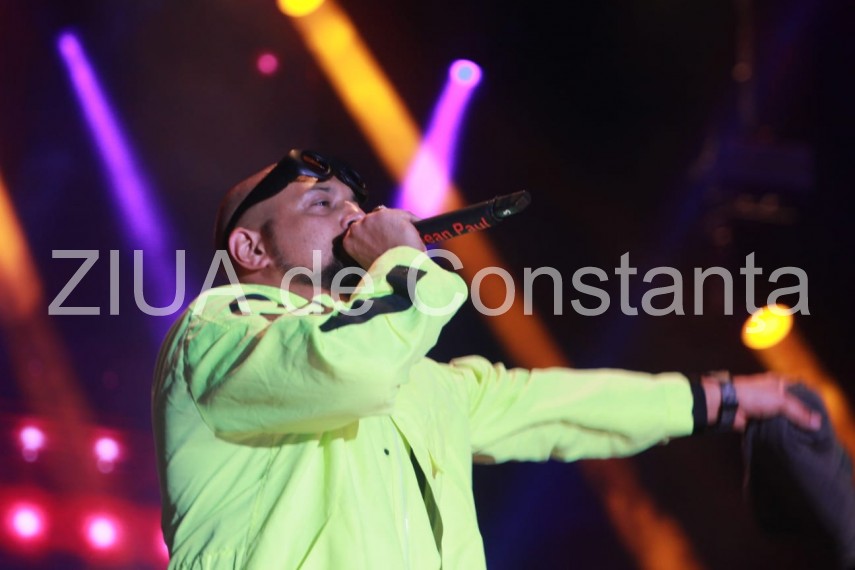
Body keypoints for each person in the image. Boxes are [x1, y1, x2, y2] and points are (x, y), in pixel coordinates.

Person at [152, 148, 822, 569]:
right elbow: (346, 367)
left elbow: (551, 406)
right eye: (321, 203)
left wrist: (720, 398)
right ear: (250, 249)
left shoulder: (414, 379)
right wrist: (403, 261)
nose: (353, 216)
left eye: (356, 203)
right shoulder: (219, 332)